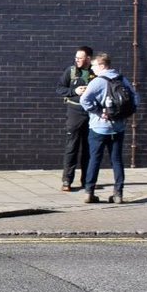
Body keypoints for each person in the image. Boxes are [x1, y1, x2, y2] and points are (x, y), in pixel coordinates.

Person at [79, 53, 140, 204]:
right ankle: (118, 194)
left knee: (94, 159)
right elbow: (135, 98)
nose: (92, 69)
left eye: (93, 66)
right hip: (118, 128)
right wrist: (124, 114)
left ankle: (89, 192)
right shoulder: (122, 79)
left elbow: (84, 100)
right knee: (117, 161)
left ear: (101, 65)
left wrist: (99, 112)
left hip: (98, 128)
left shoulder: (97, 81)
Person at [55, 46, 95, 192]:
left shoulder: (95, 72)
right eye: (76, 58)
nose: (77, 60)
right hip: (74, 113)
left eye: (80, 58)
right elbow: (59, 89)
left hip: (92, 114)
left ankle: (87, 181)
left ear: (88, 58)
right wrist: (74, 91)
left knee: (89, 149)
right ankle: (67, 181)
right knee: (71, 148)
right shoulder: (71, 71)